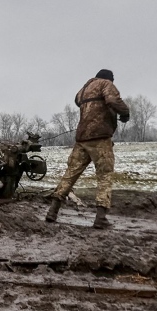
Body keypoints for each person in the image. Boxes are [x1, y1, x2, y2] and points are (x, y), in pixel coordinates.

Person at [45, 69, 129, 228]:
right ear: (110, 79)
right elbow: (112, 100)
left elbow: (78, 101)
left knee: (69, 175)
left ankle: (52, 211)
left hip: (82, 138)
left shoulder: (83, 89)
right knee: (105, 176)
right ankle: (101, 218)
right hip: (100, 138)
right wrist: (125, 112)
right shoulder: (106, 84)